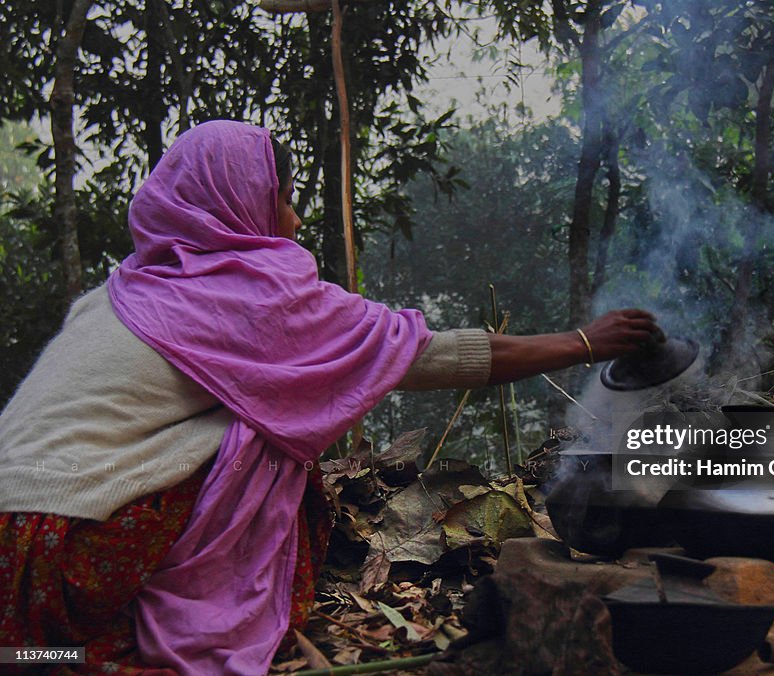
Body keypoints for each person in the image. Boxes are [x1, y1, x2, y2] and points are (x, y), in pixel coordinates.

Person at [0, 120, 662, 674]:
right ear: (241, 201)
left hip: (13, 560)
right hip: (65, 558)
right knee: (269, 437)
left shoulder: (118, 291)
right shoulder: (256, 303)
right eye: (283, 197)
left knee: (250, 416)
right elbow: (424, 356)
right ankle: (156, 638)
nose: (292, 217)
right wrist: (585, 341)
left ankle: (43, 654)